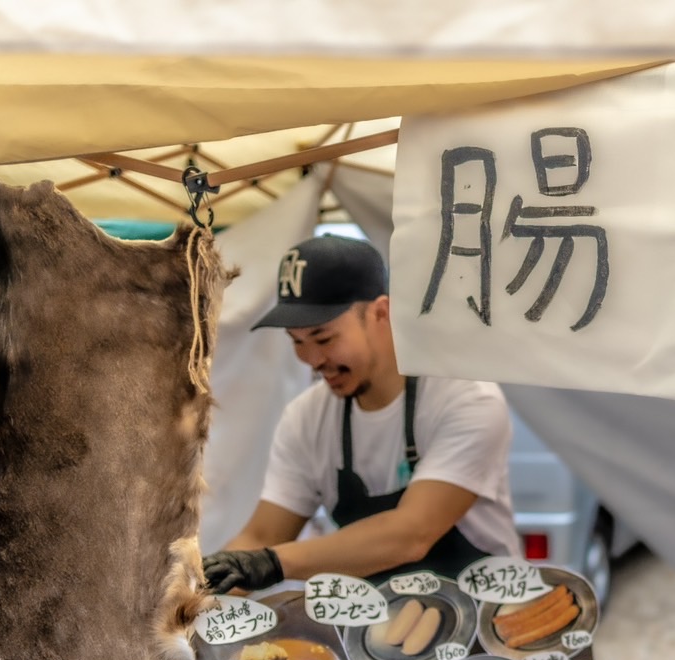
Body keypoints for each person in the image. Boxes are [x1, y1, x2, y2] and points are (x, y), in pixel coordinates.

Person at [201, 235, 520, 593]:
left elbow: (411, 534)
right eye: (296, 341)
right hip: (375, 632)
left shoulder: (465, 398)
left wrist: (273, 563)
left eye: (324, 339)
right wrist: (193, 601)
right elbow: (262, 535)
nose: (312, 360)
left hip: (485, 623)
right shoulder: (306, 418)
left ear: (381, 313)